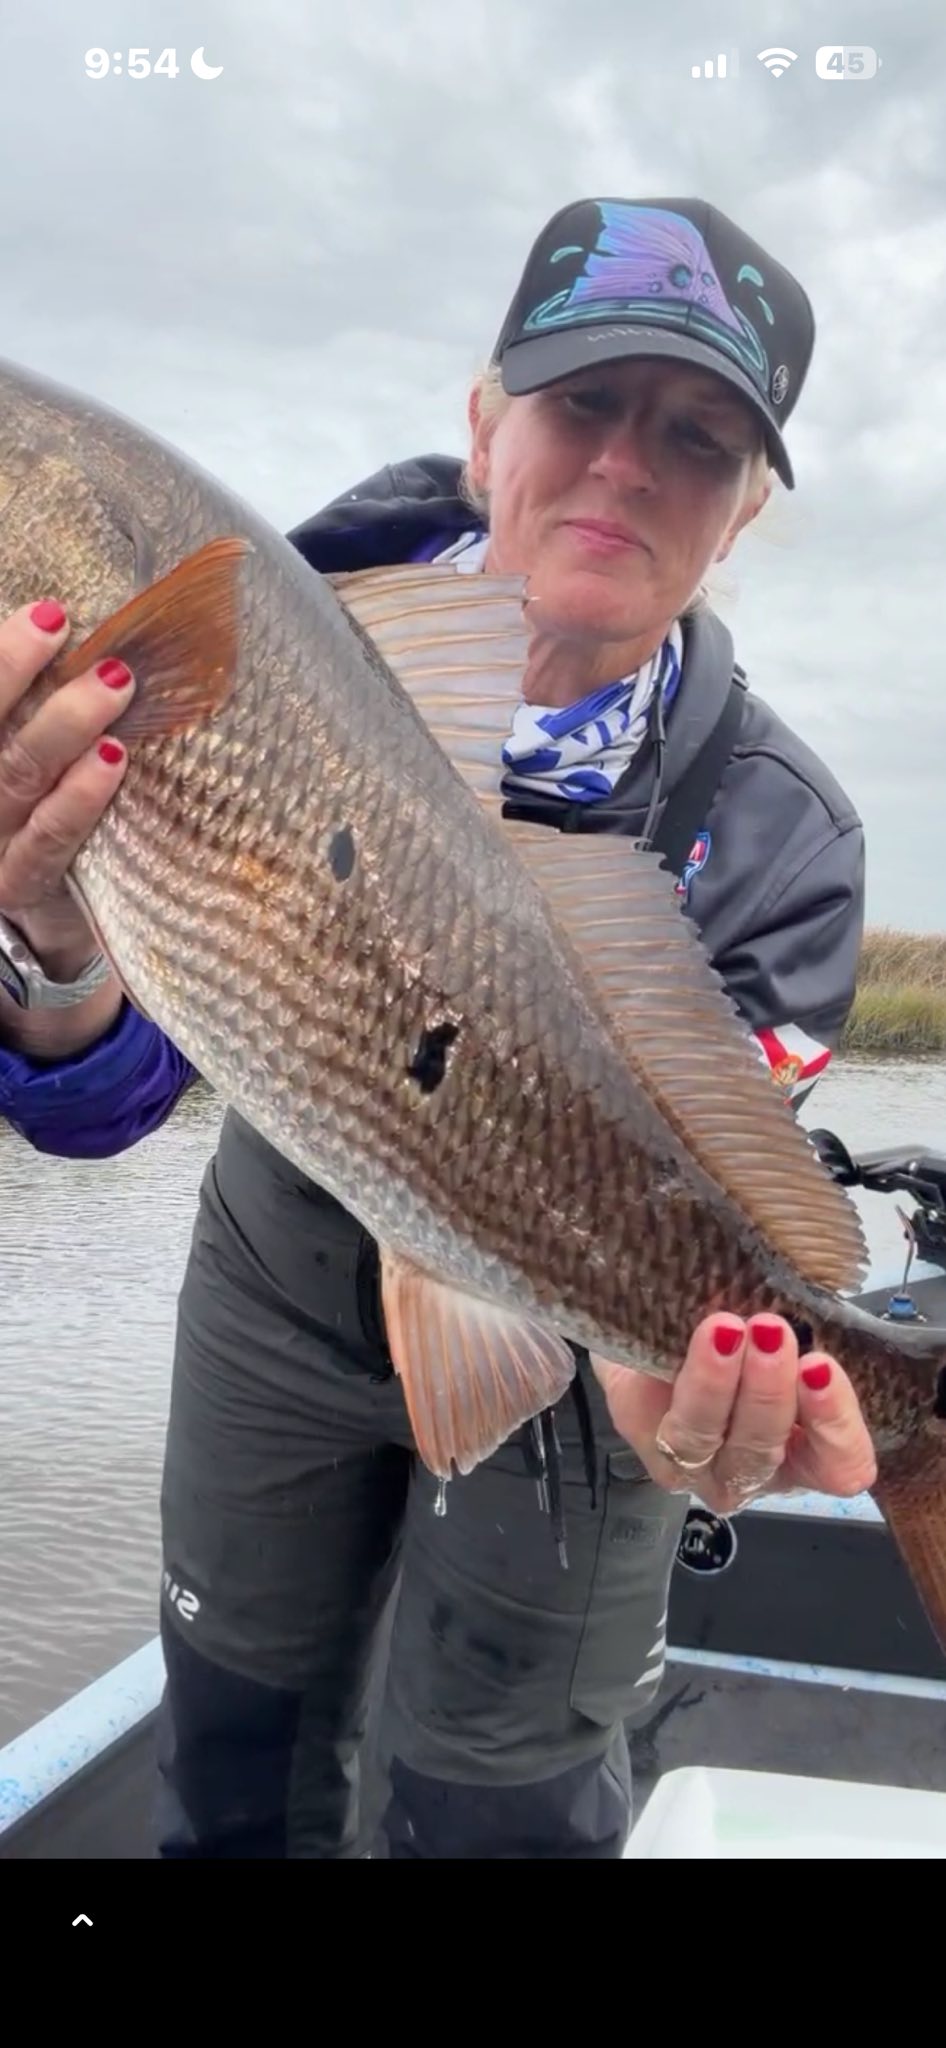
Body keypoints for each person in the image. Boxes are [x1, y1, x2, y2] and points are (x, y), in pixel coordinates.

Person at [0, 195, 877, 1859]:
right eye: (584, 402)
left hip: (583, 1330)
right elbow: (104, 1107)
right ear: (484, 425)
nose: (625, 463)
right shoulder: (257, 629)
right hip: (282, 1258)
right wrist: (48, 926)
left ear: (743, 511)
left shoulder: (783, 841)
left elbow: (705, 1204)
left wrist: (675, 1392)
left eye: (694, 438)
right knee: (234, 1738)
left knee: (502, 1798)